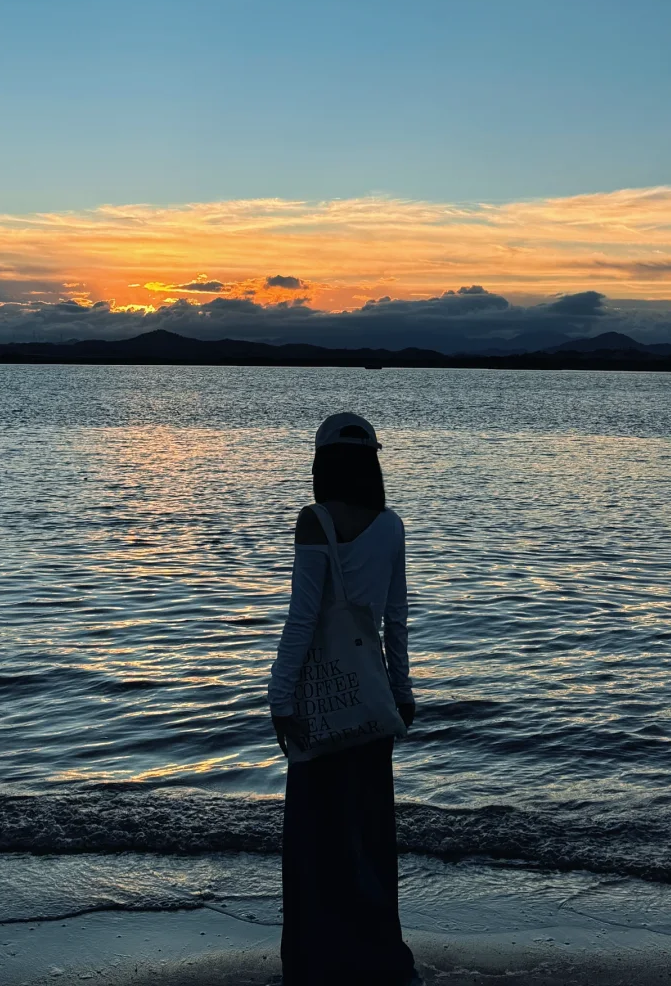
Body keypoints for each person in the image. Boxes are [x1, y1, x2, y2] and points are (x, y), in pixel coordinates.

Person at [268, 412, 416, 986]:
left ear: (321, 462)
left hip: (320, 704)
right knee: (369, 838)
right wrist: (402, 693)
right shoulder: (392, 525)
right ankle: (380, 960)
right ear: (373, 462)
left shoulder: (316, 520)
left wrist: (280, 699)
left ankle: (314, 966)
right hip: (373, 705)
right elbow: (396, 622)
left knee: (315, 843)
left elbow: (301, 622)